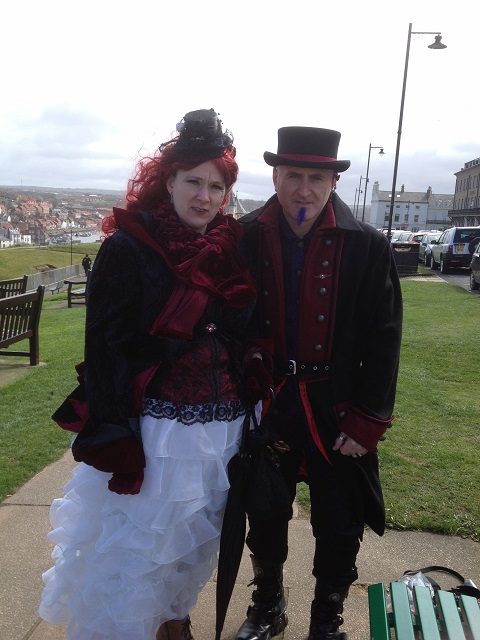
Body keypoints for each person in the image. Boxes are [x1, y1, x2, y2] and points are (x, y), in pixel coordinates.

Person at [39, 109, 259, 640]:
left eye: (215, 186)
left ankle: (172, 620)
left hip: (221, 430)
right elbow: (107, 351)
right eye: (193, 182)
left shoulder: (230, 246)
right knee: (140, 549)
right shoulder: (128, 248)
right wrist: (117, 437)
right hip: (157, 432)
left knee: (193, 541)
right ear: (168, 182)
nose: (203, 197)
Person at [237, 127, 403, 640]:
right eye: (293, 176)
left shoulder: (368, 246)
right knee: (264, 511)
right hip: (270, 402)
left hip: (338, 407)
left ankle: (325, 616)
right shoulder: (245, 236)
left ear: (333, 181)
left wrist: (368, 419)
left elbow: (385, 336)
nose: (303, 189)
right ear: (275, 176)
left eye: (316, 177)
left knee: (339, 519)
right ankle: (268, 605)